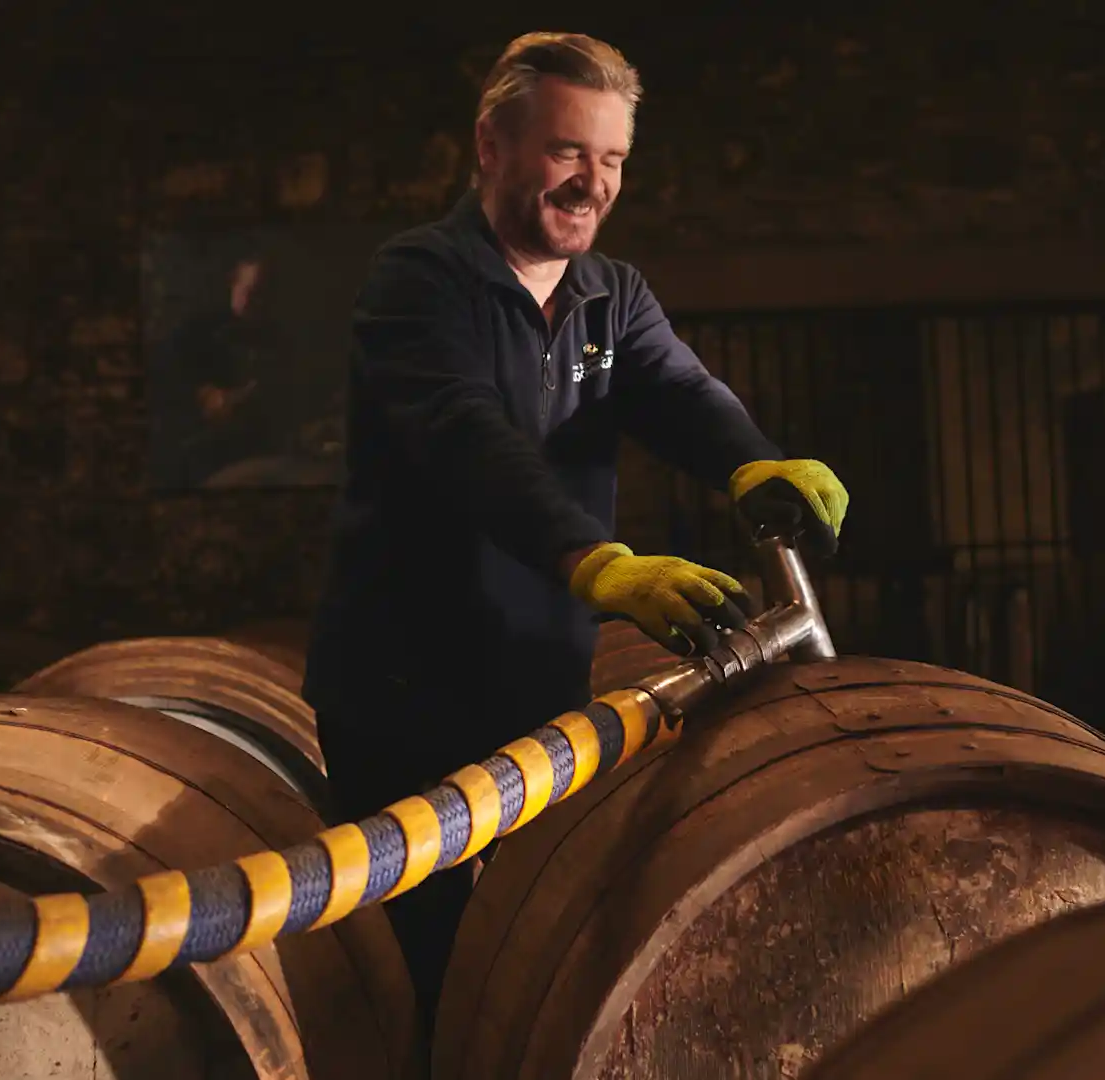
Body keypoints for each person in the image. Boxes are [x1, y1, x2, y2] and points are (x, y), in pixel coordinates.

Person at [300, 30, 850, 1046]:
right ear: (492, 145)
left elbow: (681, 389)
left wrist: (751, 461)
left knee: (530, 965)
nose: (591, 184)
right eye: (567, 152)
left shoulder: (612, 293)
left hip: (537, 681)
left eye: (612, 161)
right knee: (425, 982)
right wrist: (595, 562)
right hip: (403, 690)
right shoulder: (419, 281)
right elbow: (469, 438)